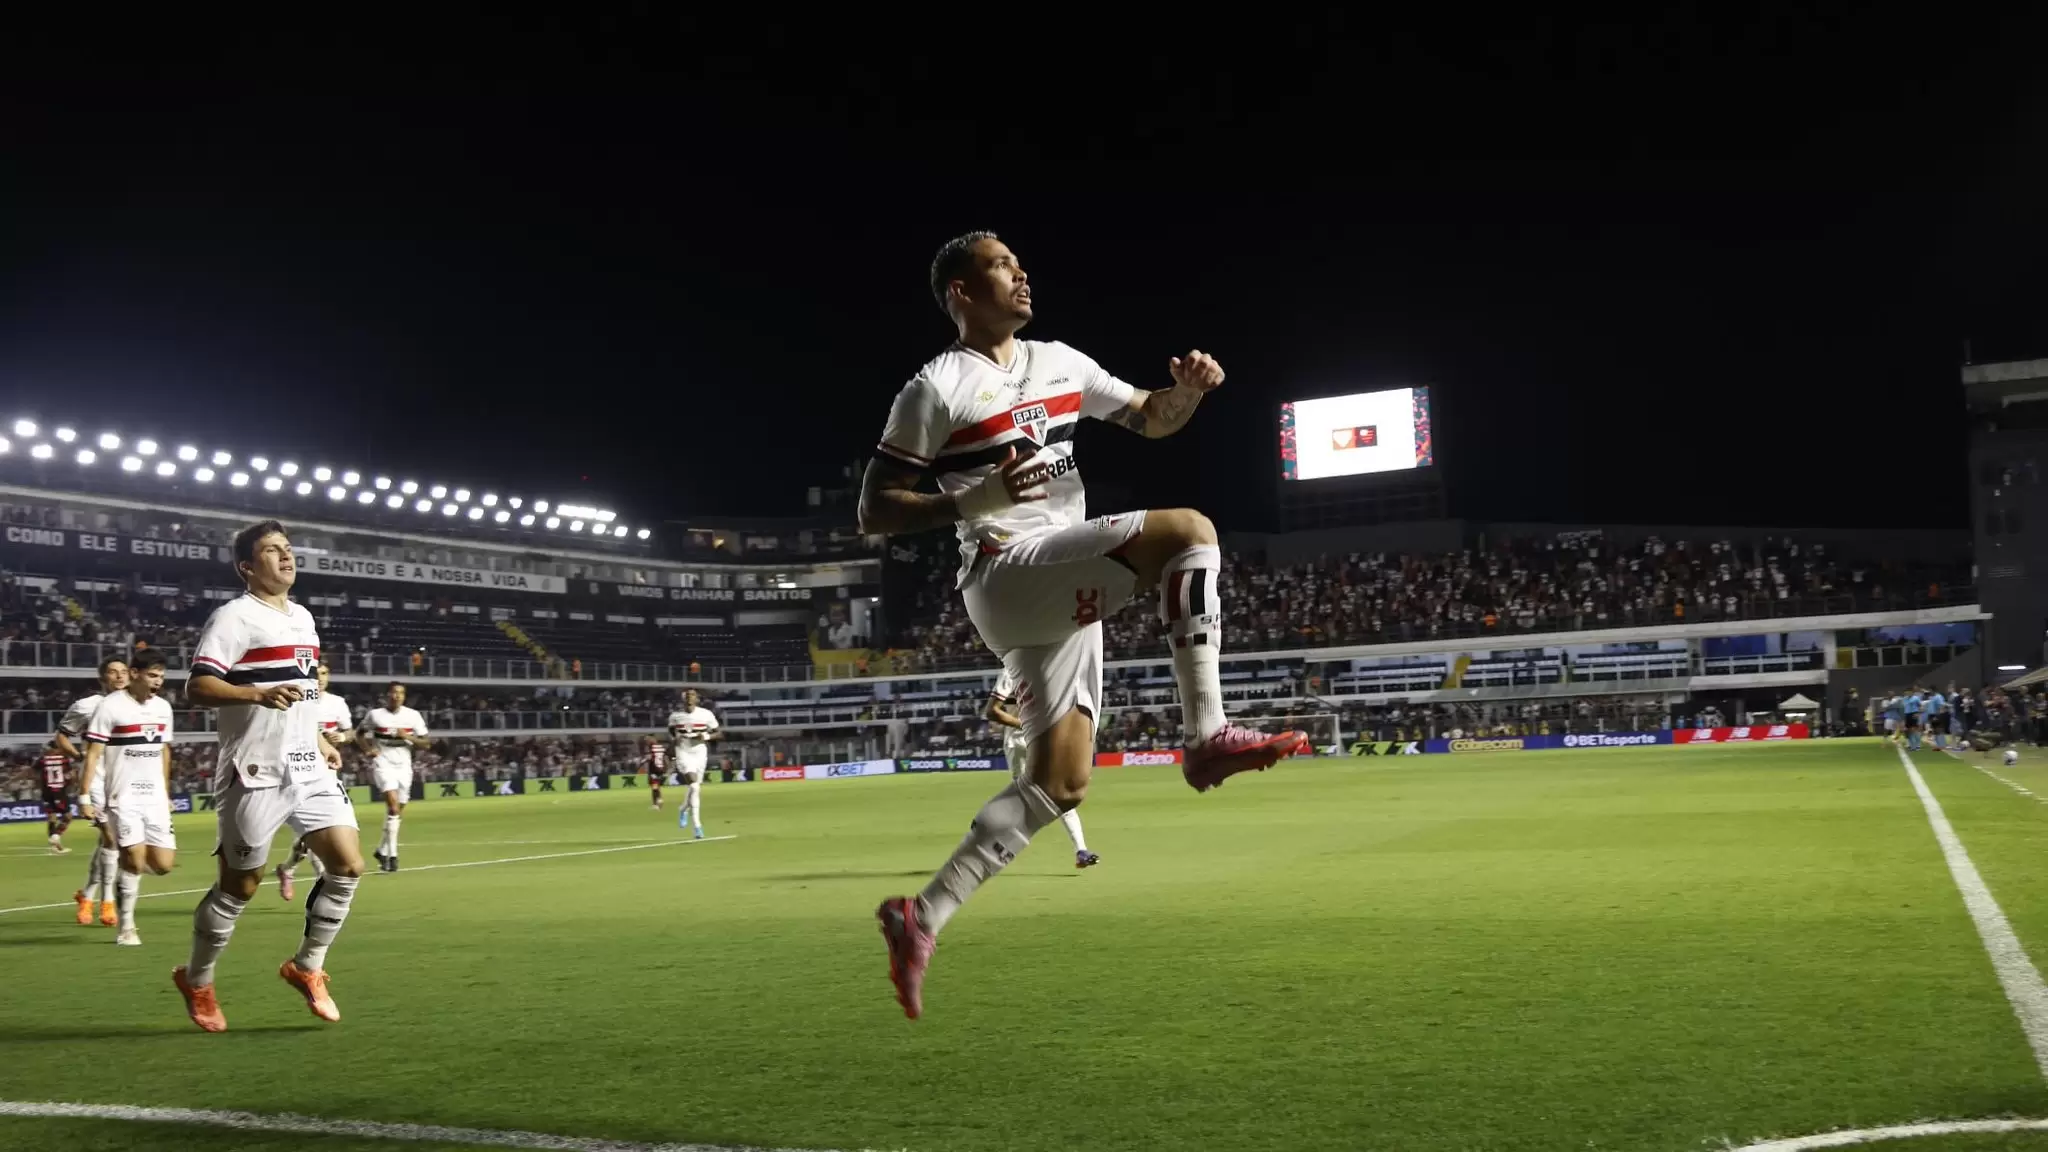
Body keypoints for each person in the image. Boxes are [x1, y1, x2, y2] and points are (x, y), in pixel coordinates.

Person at [860, 232, 1307, 1018]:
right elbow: (876, 511)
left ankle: (921, 915)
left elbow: (1148, 418)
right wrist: (973, 500)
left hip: (1057, 577)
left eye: (1019, 262)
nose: (1022, 272)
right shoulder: (934, 389)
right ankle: (1206, 737)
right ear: (960, 292)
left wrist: (1190, 394)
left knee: (1060, 784)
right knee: (1190, 529)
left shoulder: (1061, 360)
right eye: (1002, 265)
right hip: (1002, 569)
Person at [175, 520, 365, 1032]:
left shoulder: (304, 618)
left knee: (347, 868)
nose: (285, 557)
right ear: (247, 567)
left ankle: (307, 966)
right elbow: (198, 686)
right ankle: (198, 978)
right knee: (240, 887)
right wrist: (254, 693)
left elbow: (303, 692)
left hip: (306, 764)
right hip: (253, 769)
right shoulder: (234, 617)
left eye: (287, 548)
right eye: (271, 551)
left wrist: (320, 736)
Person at [77, 649, 176, 947]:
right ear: (135, 674)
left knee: (162, 865)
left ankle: (124, 874)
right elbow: (93, 753)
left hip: (155, 797)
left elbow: (165, 750)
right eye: (152, 675)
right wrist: (84, 796)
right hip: (124, 796)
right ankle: (127, 927)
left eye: (161, 676)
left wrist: (167, 791)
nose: (158, 681)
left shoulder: (163, 708)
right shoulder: (110, 707)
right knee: (133, 859)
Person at [989, 668, 1096, 868]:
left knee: (1059, 794)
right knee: (1025, 798)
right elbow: (992, 712)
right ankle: (994, 839)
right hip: (1019, 745)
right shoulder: (1010, 672)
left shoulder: (1050, 669)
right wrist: (1025, 724)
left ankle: (1081, 850)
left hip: (1045, 741)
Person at [61, 657, 129, 927]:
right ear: (103, 678)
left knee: (110, 841)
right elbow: (62, 735)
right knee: (110, 837)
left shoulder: (139, 706)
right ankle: (107, 901)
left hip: (126, 778)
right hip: (98, 779)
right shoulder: (87, 705)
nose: (120, 676)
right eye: (113, 672)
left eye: (124, 672)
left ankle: (87, 894)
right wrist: (82, 757)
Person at [277, 662, 351, 900]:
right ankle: (324, 886)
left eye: (324, 673)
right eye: (315, 673)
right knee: (313, 834)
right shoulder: (295, 695)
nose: (320, 678)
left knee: (309, 838)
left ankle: (287, 868)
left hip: (326, 770)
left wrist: (340, 736)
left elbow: (350, 732)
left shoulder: (337, 703)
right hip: (296, 771)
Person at [359, 681, 429, 872]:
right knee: (392, 805)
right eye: (393, 693)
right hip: (383, 763)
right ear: (386, 695)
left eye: (401, 693)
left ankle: (381, 850)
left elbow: (426, 743)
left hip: (404, 766)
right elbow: (360, 734)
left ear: (404, 696)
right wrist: (368, 750)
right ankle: (392, 856)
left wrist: (407, 737)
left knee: (397, 811)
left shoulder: (412, 716)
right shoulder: (375, 715)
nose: (397, 696)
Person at [666, 689, 720, 838]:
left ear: (697, 699)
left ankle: (683, 808)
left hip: (700, 752)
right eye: (687, 696)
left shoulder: (706, 714)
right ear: (683, 699)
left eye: (692, 696)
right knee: (694, 785)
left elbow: (719, 732)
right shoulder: (675, 716)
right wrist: (674, 739)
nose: (690, 698)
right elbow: (671, 731)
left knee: (695, 788)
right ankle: (697, 825)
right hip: (683, 751)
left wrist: (706, 736)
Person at [39, 744, 74, 856]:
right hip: (59, 791)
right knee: (68, 817)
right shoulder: (64, 759)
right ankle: (56, 836)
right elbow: (71, 775)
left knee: (52, 817)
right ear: (57, 749)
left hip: (46, 792)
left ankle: (55, 846)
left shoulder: (42, 760)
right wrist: (71, 783)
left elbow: (31, 771)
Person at [645, 736, 670, 811]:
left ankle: (656, 803)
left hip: (654, 770)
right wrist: (666, 769)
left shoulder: (651, 748)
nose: (646, 743)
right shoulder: (661, 747)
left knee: (654, 786)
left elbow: (649, 758)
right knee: (656, 785)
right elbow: (665, 758)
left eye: (647, 741)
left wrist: (645, 761)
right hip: (661, 769)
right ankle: (658, 800)